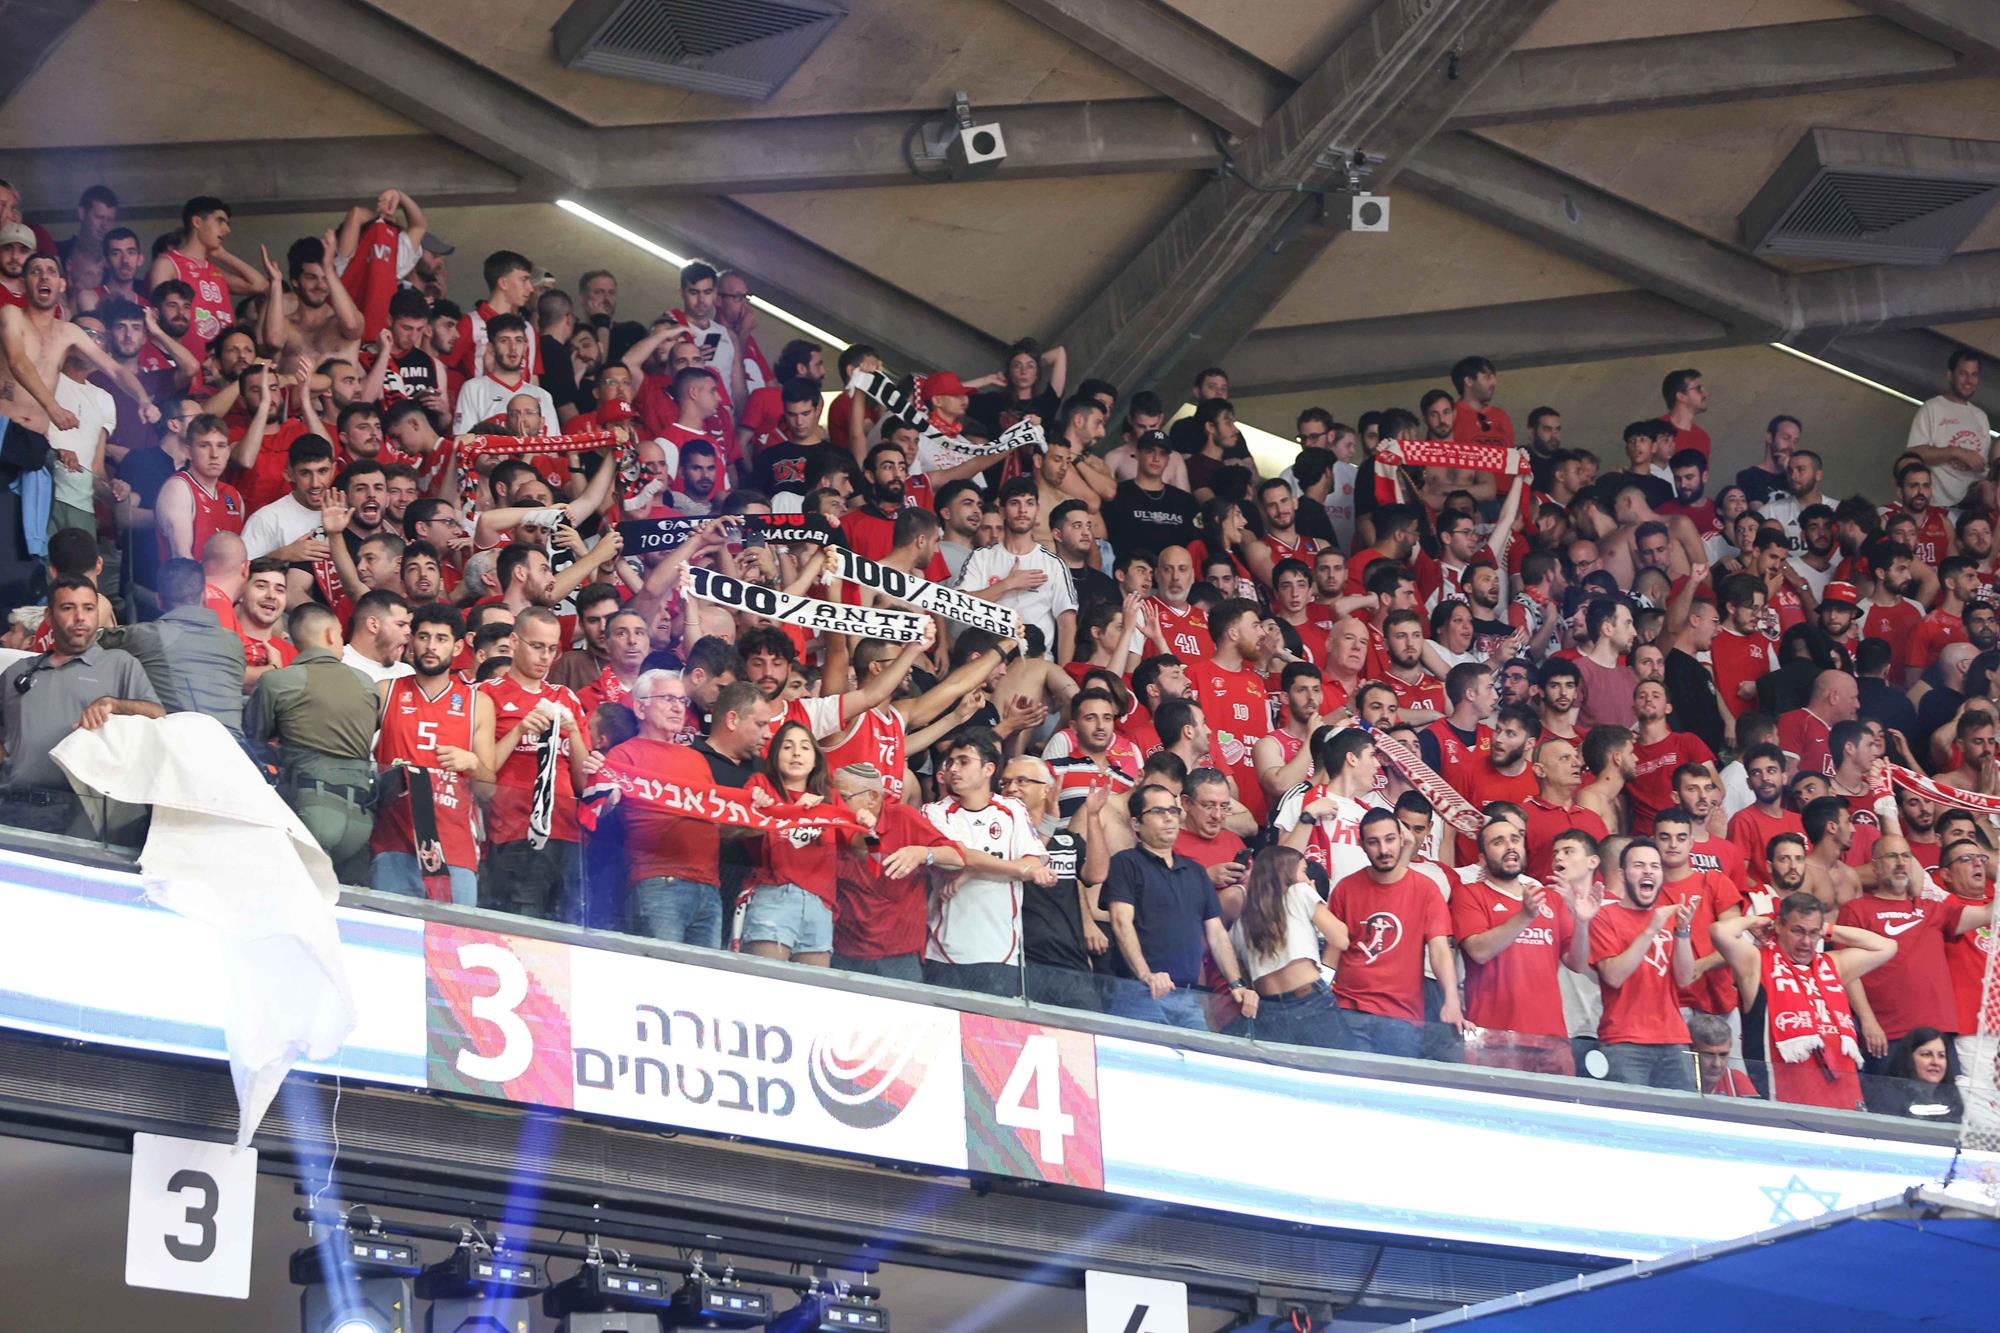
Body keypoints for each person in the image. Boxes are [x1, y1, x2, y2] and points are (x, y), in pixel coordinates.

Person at [1711, 893, 1896, 1111]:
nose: (1806, 942)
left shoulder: (1833, 964)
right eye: (1798, 931)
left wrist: (1828, 929)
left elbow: (1887, 946)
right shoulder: (1756, 963)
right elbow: (1719, 932)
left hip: (1844, 1104)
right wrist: (1756, 921)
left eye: (1813, 933)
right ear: (1780, 925)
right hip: (1784, 1106)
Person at [1103, 782, 1258, 1031]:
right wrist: (1146, 975)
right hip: (1140, 992)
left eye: (1173, 811)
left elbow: (1217, 934)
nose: (1169, 818)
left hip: (1188, 997)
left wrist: (1237, 984)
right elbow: (1121, 921)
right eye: (1157, 811)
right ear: (1136, 824)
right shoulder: (1126, 863)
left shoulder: (1195, 872)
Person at [243, 602, 378, 883]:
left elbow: (255, 740)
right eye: (340, 635)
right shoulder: (367, 684)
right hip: (361, 818)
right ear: (329, 635)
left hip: (309, 807)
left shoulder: (278, 682)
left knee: (295, 893)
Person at [1839, 835, 1993, 1077]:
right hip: (1887, 1033)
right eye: (1892, 856)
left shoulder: (1932, 908)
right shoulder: (1856, 909)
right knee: (1892, 1101)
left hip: (1939, 1035)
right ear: (1875, 867)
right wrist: (1867, 1020)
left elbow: (1987, 913)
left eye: (1906, 856)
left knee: (1945, 1101)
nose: (1901, 863)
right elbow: (1847, 972)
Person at [369, 603, 492, 905]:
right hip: (393, 841)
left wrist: (473, 763)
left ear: (458, 646)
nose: (431, 646)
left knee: (453, 935)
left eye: (441, 638)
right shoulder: (385, 691)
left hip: (455, 847)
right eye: (424, 637)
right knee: (389, 932)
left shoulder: (478, 703)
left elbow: (488, 790)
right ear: (411, 640)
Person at [477, 607, 591, 923]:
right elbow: (480, 772)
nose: (545, 657)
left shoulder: (566, 697)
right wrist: (519, 730)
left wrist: (575, 734)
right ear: (514, 642)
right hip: (513, 833)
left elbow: (584, 783)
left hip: (568, 834)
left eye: (553, 649)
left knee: (570, 932)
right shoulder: (486, 694)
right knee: (522, 929)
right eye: (537, 646)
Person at [923, 728, 1057, 997]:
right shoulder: (934, 812)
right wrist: (1018, 869)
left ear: (988, 769)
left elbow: (1033, 859)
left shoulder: (1012, 809)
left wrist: (970, 874)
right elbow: (959, 856)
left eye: (964, 761)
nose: (953, 769)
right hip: (944, 950)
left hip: (1001, 951)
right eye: (950, 762)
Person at [1453, 817, 1587, 1074]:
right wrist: (1525, 916)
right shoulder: (1469, 893)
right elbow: (1479, 951)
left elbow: (1578, 963)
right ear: (1482, 858)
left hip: (1552, 1038)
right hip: (1493, 1038)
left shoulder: (1550, 898)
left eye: (1515, 839)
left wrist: (1582, 923)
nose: (1510, 846)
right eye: (1498, 842)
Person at [1326, 807, 1460, 1058]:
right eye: (1373, 842)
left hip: (1401, 1016)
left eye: (1389, 839)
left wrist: (1452, 1001)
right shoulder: (1345, 888)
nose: (1383, 850)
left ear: (1401, 839)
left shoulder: (1426, 889)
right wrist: (1320, 1000)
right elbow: (1332, 954)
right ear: (1361, 845)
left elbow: (1440, 950)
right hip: (1348, 1009)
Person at [829, 761, 969, 983]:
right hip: (845, 948)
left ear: (873, 797)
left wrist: (922, 853)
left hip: (898, 953)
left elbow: (957, 858)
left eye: (844, 797)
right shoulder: (833, 824)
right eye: (833, 797)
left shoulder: (903, 817)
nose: (836, 804)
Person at [740, 721, 857, 967]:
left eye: (805, 747)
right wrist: (794, 812)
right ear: (775, 756)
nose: (796, 753)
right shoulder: (761, 785)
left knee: (811, 990)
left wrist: (868, 825)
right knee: (765, 983)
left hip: (820, 904)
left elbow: (865, 847)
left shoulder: (830, 798)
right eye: (787, 747)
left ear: (815, 760)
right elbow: (740, 829)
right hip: (775, 895)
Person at [1590, 838, 1698, 1091]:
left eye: (1655, 866)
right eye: (1639, 865)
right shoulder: (1605, 916)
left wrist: (1683, 931)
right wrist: (1650, 930)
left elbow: (1684, 979)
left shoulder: (1670, 916)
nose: (1648, 871)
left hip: (1674, 1038)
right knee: (1629, 1113)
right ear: (1622, 874)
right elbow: (1613, 976)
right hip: (1624, 1040)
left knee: (1683, 1113)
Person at [96, 557, 246, 737]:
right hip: (237, 748)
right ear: (204, 596)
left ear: (159, 600)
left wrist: (102, 605)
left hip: (182, 747)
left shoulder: (148, 636)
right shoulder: (234, 642)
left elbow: (86, 639)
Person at [1231, 845, 1344, 1049]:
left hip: (1268, 1007)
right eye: (1303, 871)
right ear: (1286, 872)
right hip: (1309, 998)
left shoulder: (1241, 922)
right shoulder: (1301, 891)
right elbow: (1341, 938)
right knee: (1337, 1064)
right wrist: (1316, 900)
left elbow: (1243, 972)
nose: (1307, 878)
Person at [1905, 349, 1988, 511]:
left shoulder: (1981, 416)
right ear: (1950, 375)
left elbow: (1981, 466)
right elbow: (1913, 454)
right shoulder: (1932, 408)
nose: (1969, 381)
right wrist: (1956, 452)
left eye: (1974, 375)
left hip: (1970, 510)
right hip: (1936, 506)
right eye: (1963, 374)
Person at [1867, 1027, 1965, 1123]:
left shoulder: (1952, 1101)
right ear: (1908, 1058)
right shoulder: (1888, 1098)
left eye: (1941, 1056)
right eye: (1926, 1054)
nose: (1935, 1062)